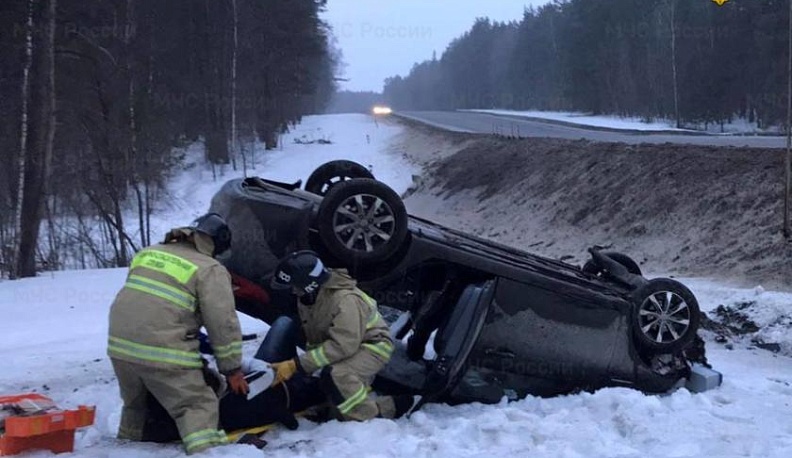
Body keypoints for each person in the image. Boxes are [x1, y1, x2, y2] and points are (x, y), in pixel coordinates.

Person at [107, 212, 249, 455]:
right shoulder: (210, 268)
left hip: (120, 347)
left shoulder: (149, 253)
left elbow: (152, 305)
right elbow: (223, 323)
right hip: (162, 352)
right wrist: (233, 370)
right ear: (215, 244)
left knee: (137, 408)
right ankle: (205, 451)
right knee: (197, 404)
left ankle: (128, 448)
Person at [268, 250, 417, 421]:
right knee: (328, 381)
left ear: (309, 284)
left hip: (372, 346)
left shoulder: (345, 300)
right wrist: (309, 370)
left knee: (339, 375)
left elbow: (343, 345)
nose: (294, 292)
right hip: (349, 345)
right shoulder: (310, 298)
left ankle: (377, 412)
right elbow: (317, 339)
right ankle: (335, 405)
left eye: (296, 286)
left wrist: (297, 365)